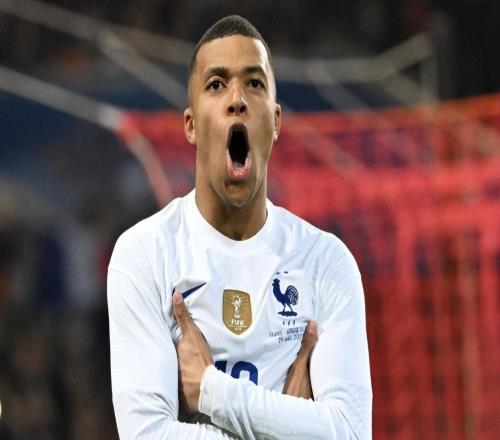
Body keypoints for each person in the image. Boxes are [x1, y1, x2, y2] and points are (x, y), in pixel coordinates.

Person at [108, 15, 372, 439]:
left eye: (254, 83)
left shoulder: (326, 262)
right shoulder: (144, 254)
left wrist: (213, 391)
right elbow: (146, 435)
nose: (237, 99)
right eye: (216, 84)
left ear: (276, 121)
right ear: (191, 125)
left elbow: (352, 433)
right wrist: (288, 427)